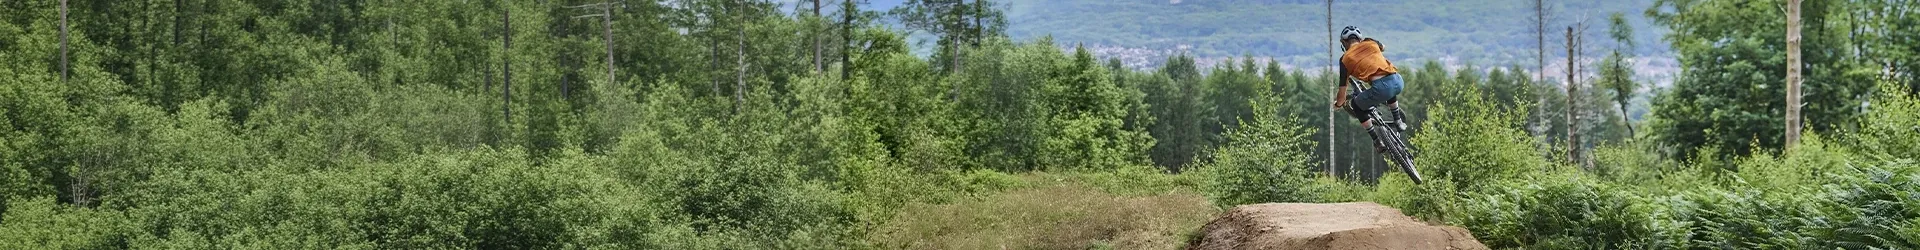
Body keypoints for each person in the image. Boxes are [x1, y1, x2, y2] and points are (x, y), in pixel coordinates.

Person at [1332, 26, 1408, 131]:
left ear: (1344, 42)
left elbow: (1342, 95)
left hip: (1381, 89)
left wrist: (1338, 104)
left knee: (1356, 105)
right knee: (1388, 82)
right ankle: (1398, 121)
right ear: (1360, 39)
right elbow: (1383, 47)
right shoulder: (1370, 42)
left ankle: (1377, 141)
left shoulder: (1345, 59)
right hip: (1398, 81)